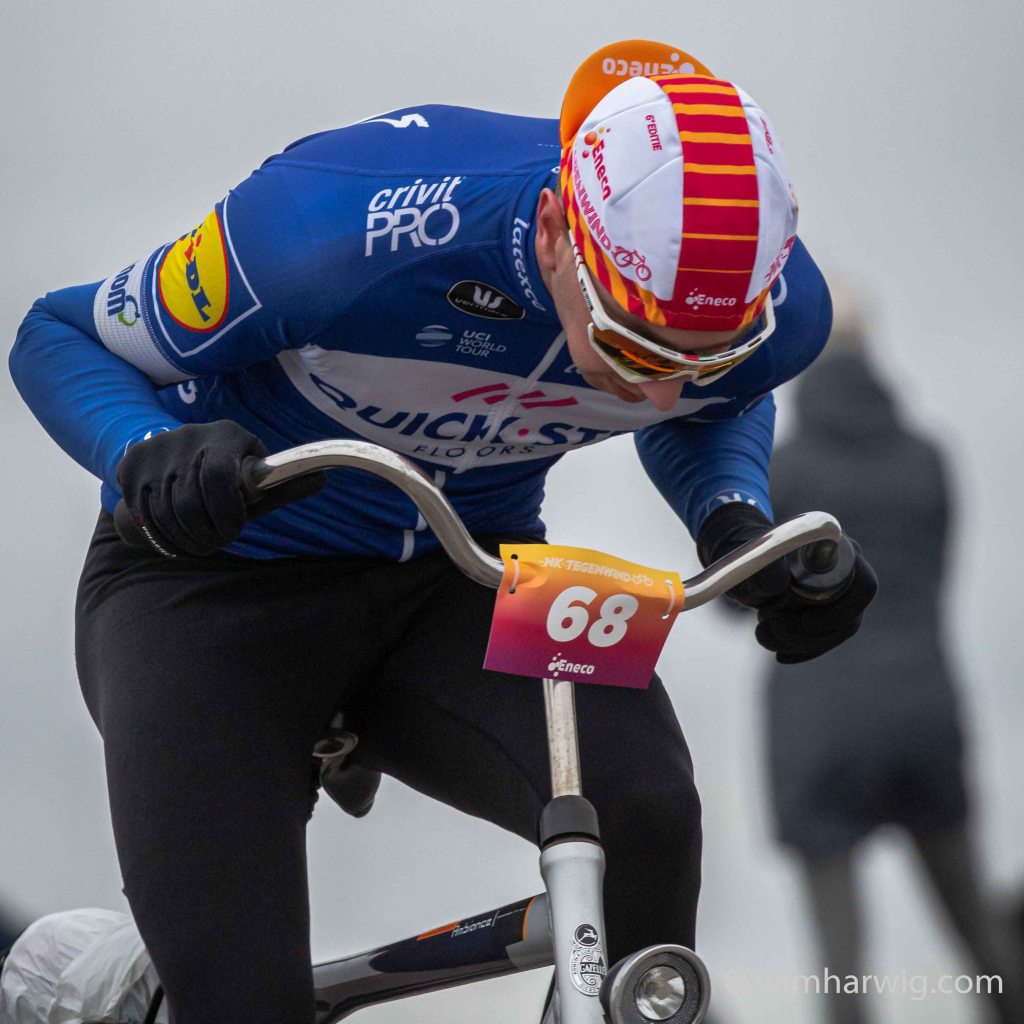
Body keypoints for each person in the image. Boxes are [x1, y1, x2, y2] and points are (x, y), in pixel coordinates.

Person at [9, 39, 876, 1024]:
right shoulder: (329, 229)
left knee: (650, 814)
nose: (662, 391)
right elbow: (56, 332)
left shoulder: (781, 312)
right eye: (633, 345)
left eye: (704, 355)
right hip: (216, 576)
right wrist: (141, 449)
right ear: (555, 231)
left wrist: (733, 518)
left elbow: (718, 403)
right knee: (243, 1001)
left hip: (465, 573)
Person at [763, 297, 1021, 1024]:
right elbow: (933, 570)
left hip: (818, 719)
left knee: (842, 959)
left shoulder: (786, 467)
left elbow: (740, 599)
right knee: (976, 927)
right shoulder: (928, 456)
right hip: (923, 706)